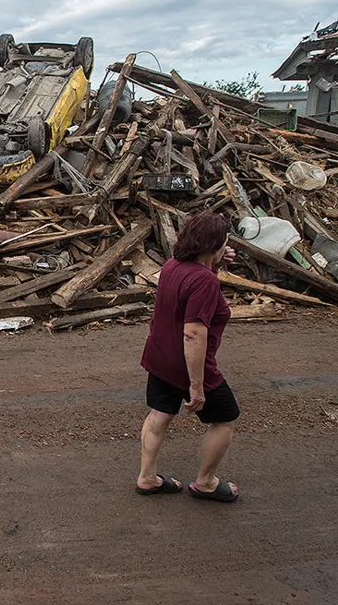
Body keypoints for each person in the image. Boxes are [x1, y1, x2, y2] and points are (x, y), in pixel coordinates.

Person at [135, 213, 240, 502]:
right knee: (226, 418)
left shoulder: (172, 265)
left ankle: (147, 477)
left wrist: (215, 263)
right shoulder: (205, 281)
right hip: (186, 364)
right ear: (215, 245)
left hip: (159, 357)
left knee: (159, 414)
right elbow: (193, 333)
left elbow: (191, 290)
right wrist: (197, 385)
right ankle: (206, 482)